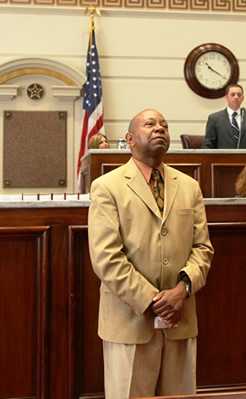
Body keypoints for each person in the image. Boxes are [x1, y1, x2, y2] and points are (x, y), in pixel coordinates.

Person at [88, 108, 214, 399]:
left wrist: (181, 290)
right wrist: (153, 300)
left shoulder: (189, 186)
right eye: (150, 124)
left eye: (164, 125)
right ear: (130, 139)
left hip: (179, 320)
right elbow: (106, 257)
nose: (159, 128)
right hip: (130, 322)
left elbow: (202, 249)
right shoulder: (107, 187)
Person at [201, 83, 246, 149]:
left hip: (245, 158)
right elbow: (208, 145)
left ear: (242, 98)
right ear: (226, 98)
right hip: (222, 158)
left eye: (239, 95)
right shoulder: (214, 118)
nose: (236, 97)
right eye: (233, 94)